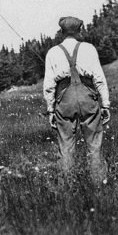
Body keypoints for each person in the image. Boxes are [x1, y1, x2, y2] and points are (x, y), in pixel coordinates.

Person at [43, 16, 111, 182]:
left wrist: (50, 109)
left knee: (66, 146)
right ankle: (98, 182)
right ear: (79, 31)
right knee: (94, 144)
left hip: (64, 98)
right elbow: (99, 78)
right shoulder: (89, 48)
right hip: (87, 95)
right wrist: (106, 104)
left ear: (62, 32)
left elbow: (49, 84)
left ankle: (68, 183)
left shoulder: (53, 52)